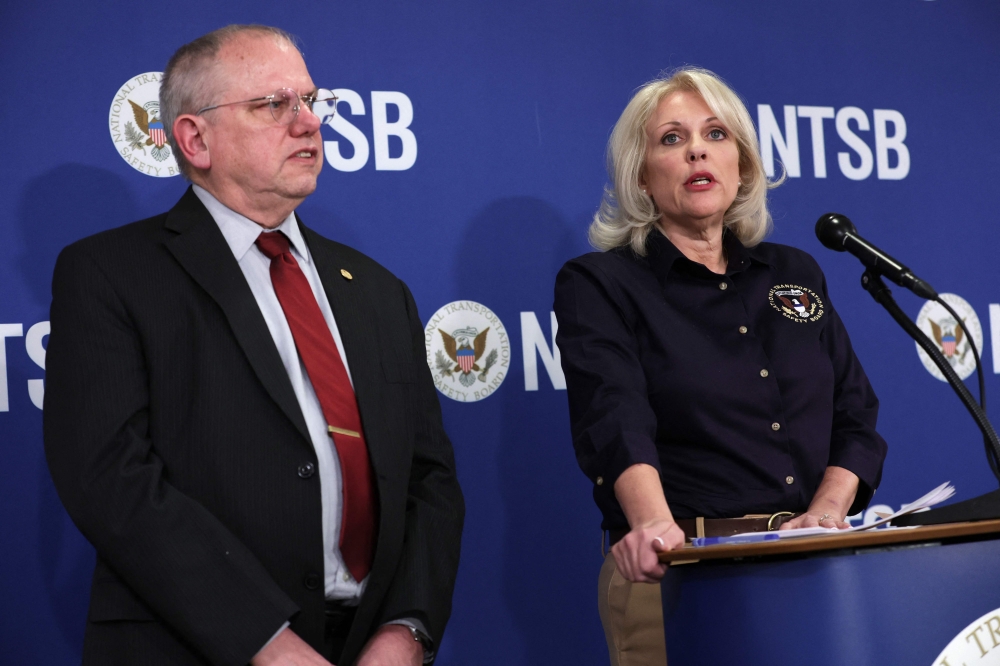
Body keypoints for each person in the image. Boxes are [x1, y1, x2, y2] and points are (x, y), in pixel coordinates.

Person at [43, 25, 464, 666]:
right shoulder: (109, 274)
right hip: (193, 647)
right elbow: (111, 481)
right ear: (194, 138)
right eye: (273, 105)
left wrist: (406, 629)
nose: (308, 125)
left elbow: (429, 477)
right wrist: (263, 640)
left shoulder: (379, 290)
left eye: (310, 101)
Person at [553, 67, 887, 665]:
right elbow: (614, 416)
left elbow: (855, 413)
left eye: (716, 134)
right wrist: (654, 526)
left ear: (743, 164)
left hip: (817, 569)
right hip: (686, 576)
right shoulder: (601, 285)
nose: (698, 149)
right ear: (641, 176)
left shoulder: (796, 273)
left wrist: (828, 513)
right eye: (672, 139)